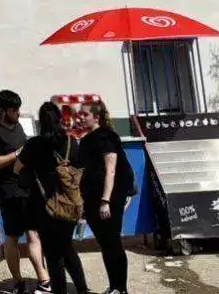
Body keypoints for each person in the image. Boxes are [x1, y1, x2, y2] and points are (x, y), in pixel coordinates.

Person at [16, 103, 90, 294]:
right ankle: (82, 289)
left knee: (52, 254)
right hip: (69, 202)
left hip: (44, 204)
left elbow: (17, 168)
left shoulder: (34, 144)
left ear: (41, 121)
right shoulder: (71, 142)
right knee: (67, 247)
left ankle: (60, 291)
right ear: (59, 119)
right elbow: (80, 169)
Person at [0, 89, 50, 294]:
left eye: (18, 109)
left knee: (34, 234)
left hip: (27, 188)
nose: (18, 113)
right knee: (12, 236)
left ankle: (44, 281)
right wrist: (18, 153)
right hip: (9, 191)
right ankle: (19, 282)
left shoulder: (18, 126)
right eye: (13, 110)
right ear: (2, 111)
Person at [77, 100, 134, 294]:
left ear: (96, 117)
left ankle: (121, 288)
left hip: (109, 197)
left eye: (85, 114)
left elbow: (111, 170)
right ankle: (113, 286)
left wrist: (105, 201)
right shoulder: (86, 140)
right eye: (80, 114)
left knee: (112, 242)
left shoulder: (106, 137)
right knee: (104, 243)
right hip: (92, 198)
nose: (81, 117)